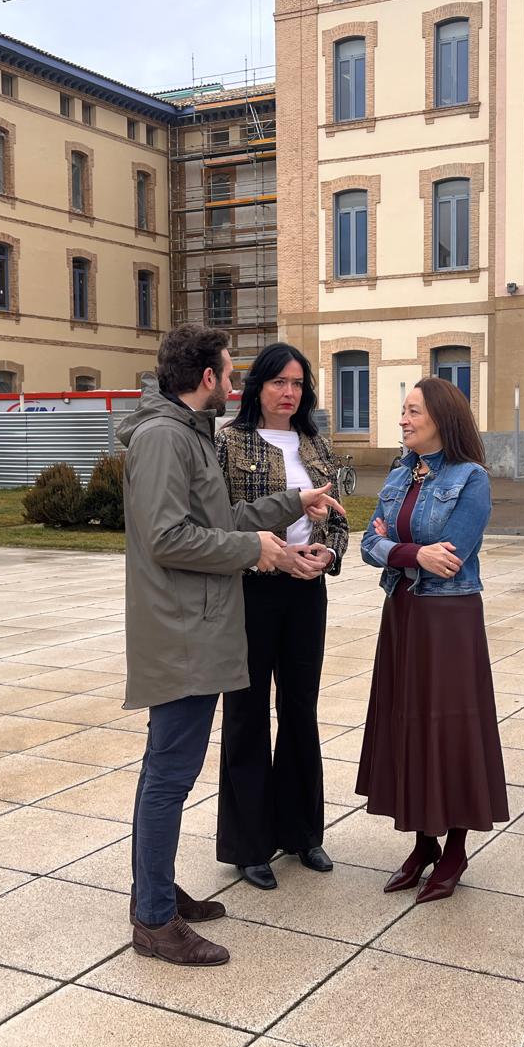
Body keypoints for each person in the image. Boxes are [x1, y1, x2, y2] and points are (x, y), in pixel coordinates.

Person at [119, 324, 345, 967]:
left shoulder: (188, 432)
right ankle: (154, 920)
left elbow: (219, 521)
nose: (235, 382)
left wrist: (292, 501)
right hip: (180, 630)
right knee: (169, 775)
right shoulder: (166, 437)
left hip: (196, 625)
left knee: (167, 770)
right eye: (230, 371)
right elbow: (167, 537)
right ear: (207, 378)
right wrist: (255, 550)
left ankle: (155, 892)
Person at [357, 377, 508, 904]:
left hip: (448, 619)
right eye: (403, 410)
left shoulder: (472, 479)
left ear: (441, 418)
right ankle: (423, 843)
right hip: (402, 612)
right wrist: (412, 553)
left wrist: (399, 549)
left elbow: (452, 556)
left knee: (450, 727)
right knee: (407, 723)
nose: (402, 419)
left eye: (413, 411)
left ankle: (455, 849)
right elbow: (368, 543)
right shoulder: (400, 474)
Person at [215, 343, 349, 891]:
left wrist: (327, 554)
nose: (289, 392)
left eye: (298, 383)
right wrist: (268, 553)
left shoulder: (318, 443)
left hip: (306, 594)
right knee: (246, 714)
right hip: (250, 592)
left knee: (300, 710)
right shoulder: (228, 442)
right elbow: (218, 519)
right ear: (258, 387)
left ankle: (302, 833)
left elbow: (339, 520)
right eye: (279, 382)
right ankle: (249, 844)